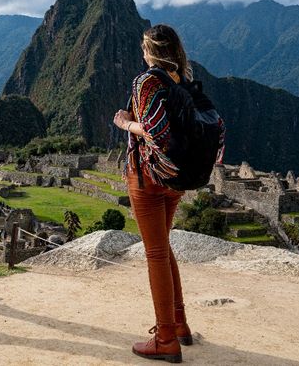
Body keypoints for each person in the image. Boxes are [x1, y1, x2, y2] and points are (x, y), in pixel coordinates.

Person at [113, 24, 194, 363]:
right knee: (163, 247)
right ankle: (179, 324)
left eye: (144, 48)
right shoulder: (184, 80)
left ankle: (165, 339)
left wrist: (124, 123)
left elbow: (153, 132)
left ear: (151, 51)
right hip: (176, 177)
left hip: (148, 177)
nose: (142, 53)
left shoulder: (146, 81)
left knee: (156, 253)